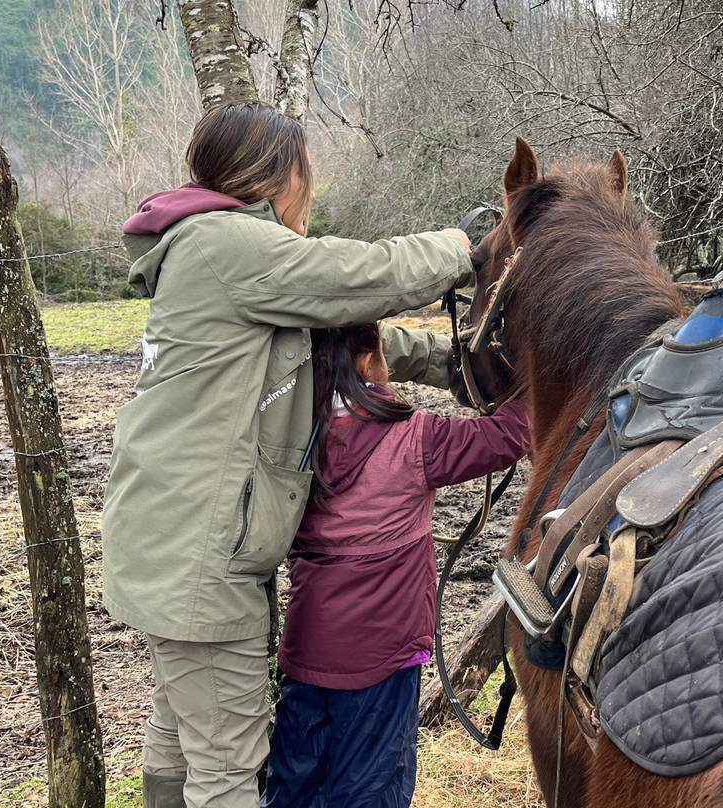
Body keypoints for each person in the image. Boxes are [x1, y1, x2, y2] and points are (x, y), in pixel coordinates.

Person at [100, 100, 474, 808]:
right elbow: (356, 276)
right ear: (277, 176)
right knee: (229, 768)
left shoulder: (227, 260)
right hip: (197, 561)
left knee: (184, 731)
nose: (312, 188)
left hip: (174, 542)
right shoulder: (225, 243)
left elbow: (340, 344)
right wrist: (464, 251)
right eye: (307, 171)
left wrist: (453, 363)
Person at [261, 324, 529, 808]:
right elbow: (511, 432)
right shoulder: (414, 440)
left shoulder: (288, 442)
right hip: (383, 656)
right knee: (371, 788)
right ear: (367, 363)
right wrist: (542, 377)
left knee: (295, 784)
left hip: (306, 647)